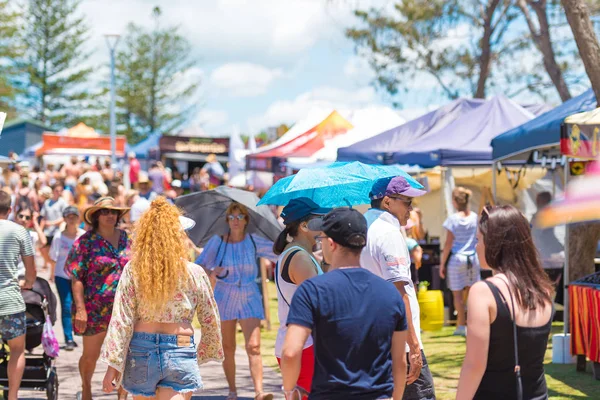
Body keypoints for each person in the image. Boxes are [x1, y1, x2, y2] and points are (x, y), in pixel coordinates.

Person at [101, 197, 224, 399]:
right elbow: (210, 317)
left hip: (141, 347)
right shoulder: (194, 272)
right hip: (181, 344)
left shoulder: (133, 270)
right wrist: (204, 352)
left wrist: (113, 365)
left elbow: (121, 319)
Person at [281, 208, 408, 400]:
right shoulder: (390, 293)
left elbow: (290, 352)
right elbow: (399, 362)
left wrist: (290, 391)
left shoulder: (311, 291)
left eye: (321, 239)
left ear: (331, 244)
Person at [456, 205, 554, 400]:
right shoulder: (543, 290)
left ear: (494, 243)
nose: (476, 246)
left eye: (479, 239)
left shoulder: (484, 292)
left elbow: (474, 365)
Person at [360, 176, 435, 400]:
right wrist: (413, 346)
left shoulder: (363, 227)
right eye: (407, 202)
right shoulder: (388, 233)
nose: (411, 209)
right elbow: (399, 292)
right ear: (387, 202)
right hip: (398, 340)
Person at [195, 202, 276, 400]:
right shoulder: (218, 242)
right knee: (228, 347)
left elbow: (279, 251)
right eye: (232, 217)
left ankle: (259, 392)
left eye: (240, 217)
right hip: (225, 296)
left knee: (254, 346)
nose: (236, 221)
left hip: (249, 296)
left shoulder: (254, 241)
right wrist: (212, 272)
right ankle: (232, 391)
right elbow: (199, 266)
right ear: (227, 220)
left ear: (247, 220)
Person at [65, 196, 131, 400]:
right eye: (104, 211)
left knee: (125, 357)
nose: (110, 215)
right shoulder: (85, 242)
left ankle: (123, 396)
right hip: (94, 309)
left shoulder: (128, 239)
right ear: (96, 216)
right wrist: (81, 309)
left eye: (113, 211)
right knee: (90, 356)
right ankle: (86, 390)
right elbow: (76, 278)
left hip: (125, 309)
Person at [273, 198, 331, 398]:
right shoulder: (300, 258)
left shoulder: (301, 254)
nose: (324, 222)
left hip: (298, 343)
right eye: (320, 218)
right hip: (304, 345)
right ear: (304, 225)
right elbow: (320, 303)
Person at [0, 191, 36, 400]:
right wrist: (28, 284)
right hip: (10, 300)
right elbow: (31, 270)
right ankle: (12, 396)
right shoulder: (20, 231)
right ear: (10, 209)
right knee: (17, 350)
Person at [439, 187, 480, 337]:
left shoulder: (452, 219)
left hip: (457, 258)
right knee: (472, 294)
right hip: (473, 257)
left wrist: (442, 264)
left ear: (455, 202)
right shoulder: (475, 217)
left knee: (457, 296)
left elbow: (448, 243)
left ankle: (461, 325)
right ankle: (472, 324)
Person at [49, 205, 85, 351]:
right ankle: (68, 338)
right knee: (66, 305)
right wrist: (52, 274)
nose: (71, 219)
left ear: (78, 218)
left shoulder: (83, 236)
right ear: (64, 218)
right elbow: (52, 257)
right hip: (62, 276)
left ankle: (82, 334)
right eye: (68, 216)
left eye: (74, 216)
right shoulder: (58, 236)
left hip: (80, 277)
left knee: (80, 305)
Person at [530, 191, 565, 304]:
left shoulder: (541, 216)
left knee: (546, 291)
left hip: (547, 259)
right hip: (546, 260)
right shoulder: (542, 216)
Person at [40, 182, 68, 270]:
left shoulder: (63, 203)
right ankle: (51, 265)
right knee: (43, 249)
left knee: (54, 253)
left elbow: (64, 217)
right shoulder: (47, 202)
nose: (59, 192)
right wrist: (41, 229)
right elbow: (43, 217)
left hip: (57, 231)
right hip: (47, 231)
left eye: (60, 191)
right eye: (57, 190)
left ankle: (52, 274)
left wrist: (52, 223)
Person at [14, 203, 46, 276]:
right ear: (16, 217)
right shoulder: (8, 233)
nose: (23, 220)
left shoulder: (32, 235)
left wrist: (35, 222)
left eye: (27, 218)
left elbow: (43, 242)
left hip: (25, 276)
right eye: (21, 216)